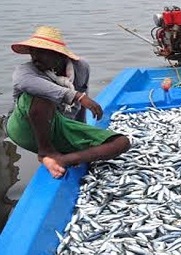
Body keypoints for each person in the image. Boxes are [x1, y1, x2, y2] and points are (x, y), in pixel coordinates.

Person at [6, 26, 130, 179]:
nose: (35, 57)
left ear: (58, 54)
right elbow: (25, 83)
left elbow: (80, 106)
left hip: (61, 125)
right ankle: (45, 151)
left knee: (121, 142)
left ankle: (62, 159)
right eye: (33, 51)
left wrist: (82, 131)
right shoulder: (25, 71)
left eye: (42, 52)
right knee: (41, 96)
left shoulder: (80, 67)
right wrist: (75, 95)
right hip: (24, 127)